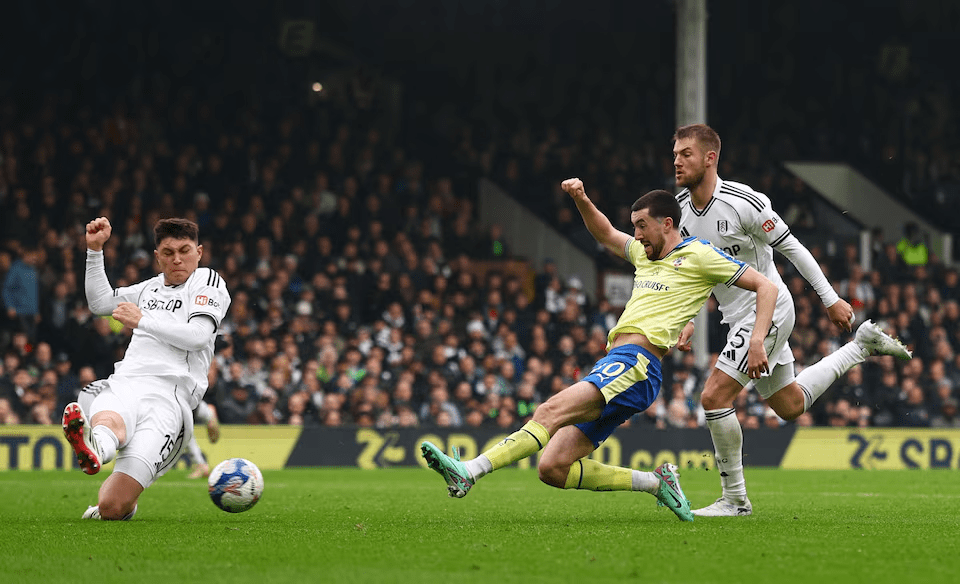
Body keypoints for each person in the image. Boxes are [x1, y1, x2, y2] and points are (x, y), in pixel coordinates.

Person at [421, 178, 780, 522]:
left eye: (641, 225)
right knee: (553, 468)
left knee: (549, 410)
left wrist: (756, 338)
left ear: (667, 223)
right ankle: (656, 483)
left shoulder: (700, 255)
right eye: (634, 226)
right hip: (620, 363)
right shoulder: (645, 255)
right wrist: (581, 198)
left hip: (637, 363)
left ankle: (470, 471)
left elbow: (766, 286)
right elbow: (606, 233)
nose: (636, 235)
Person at [670, 124, 912, 517]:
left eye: (686, 154)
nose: (677, 161)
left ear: (710, 158)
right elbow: (694, 273)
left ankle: (735, 500)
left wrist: (830, 298)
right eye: (676, 154)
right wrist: (687, 318)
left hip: (771, 308)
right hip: (736, 317)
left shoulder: (743, 202)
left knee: (714, 397)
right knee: (790, 405)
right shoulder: (679, 212)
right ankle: (860, 347)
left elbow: (793, 248)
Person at [62, 217, 231, 520]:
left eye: (184, 250)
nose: (177, 258)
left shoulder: (206, 281)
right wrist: (95, 250)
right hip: (129, 381)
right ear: (157, 256)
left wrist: (142, 321)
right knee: (110, 419)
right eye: (168, 252)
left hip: (171, 400)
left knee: (112, 508)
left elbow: (199, 336)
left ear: (199, 252)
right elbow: (101, 302)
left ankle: (109, 472)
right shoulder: (149, 289)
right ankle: (96, 446)